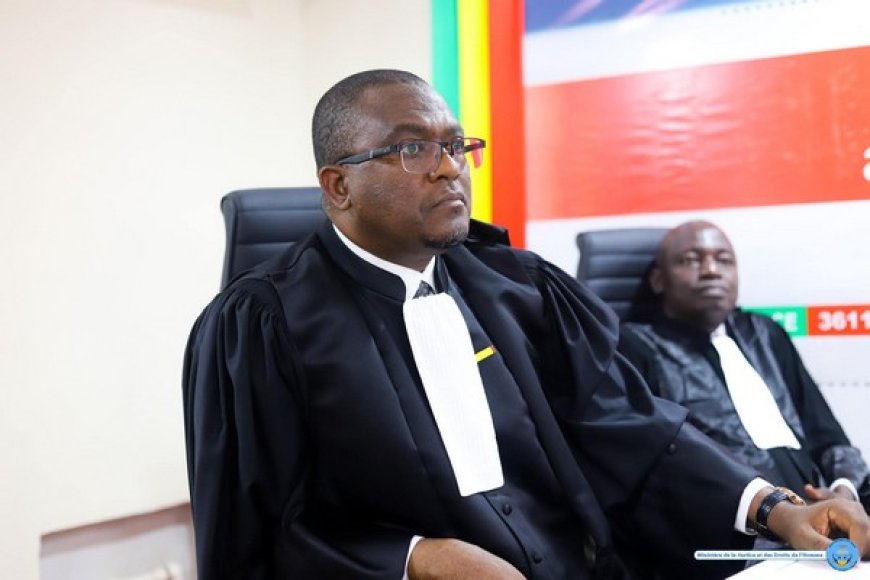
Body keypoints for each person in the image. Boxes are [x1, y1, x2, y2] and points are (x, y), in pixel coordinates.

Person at [183, 70, 870, 580]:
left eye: (456, 146)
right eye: (413, 149)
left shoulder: (518, 286)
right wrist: (415, 558)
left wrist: (774, 508)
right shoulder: (263, 323)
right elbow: (263, 528)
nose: (449, 169)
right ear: (338, 187)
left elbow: (630, 428)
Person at [618, 220, 870, 519]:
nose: (711, 270)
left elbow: (829, 438)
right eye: (691, 260)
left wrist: (844, 491)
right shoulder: (636, 347)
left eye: (723, 260)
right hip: (730, 528)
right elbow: (661, 469)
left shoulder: (765, 334)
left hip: (820, 513)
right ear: (659, 280)